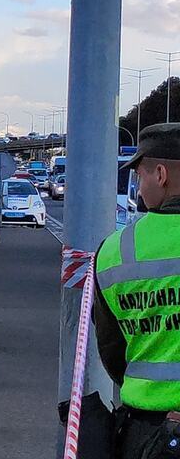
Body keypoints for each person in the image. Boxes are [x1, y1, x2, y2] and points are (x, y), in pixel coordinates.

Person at [93, 123, 180, 458]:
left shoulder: (116, 251)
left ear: (160, 174)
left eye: (140, 177)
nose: (140, 190)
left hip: (147, 435)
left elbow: (112, 350)